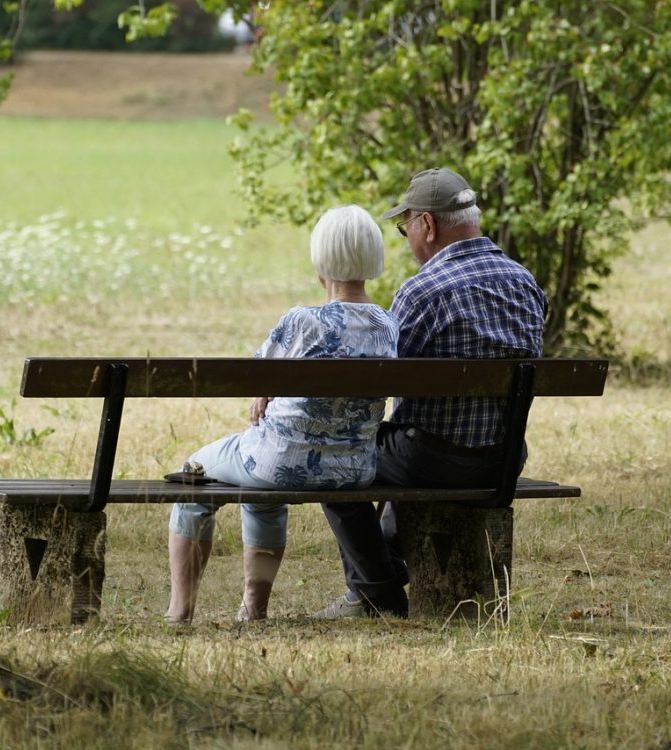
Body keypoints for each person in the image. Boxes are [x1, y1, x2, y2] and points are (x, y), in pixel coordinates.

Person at [314, 167, 548, 619]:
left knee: (333, 454)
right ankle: (383, 571)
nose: (407, 239)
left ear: (427, 224)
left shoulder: (422, 292)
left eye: (405, 228)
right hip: (503, 458)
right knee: (407, 442)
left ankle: (376, 593)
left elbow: (380, 382)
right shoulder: (526, 284)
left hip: (433, 460)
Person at [166, 204, 399, 624]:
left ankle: (179, 611)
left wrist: (265, 391)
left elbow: (253, 377)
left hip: (279, 463)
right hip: (353, 470)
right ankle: (252, 609)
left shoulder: (302, 322)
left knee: (193, 474)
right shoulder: (388, 325)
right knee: (261, 488)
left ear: (321, 260)